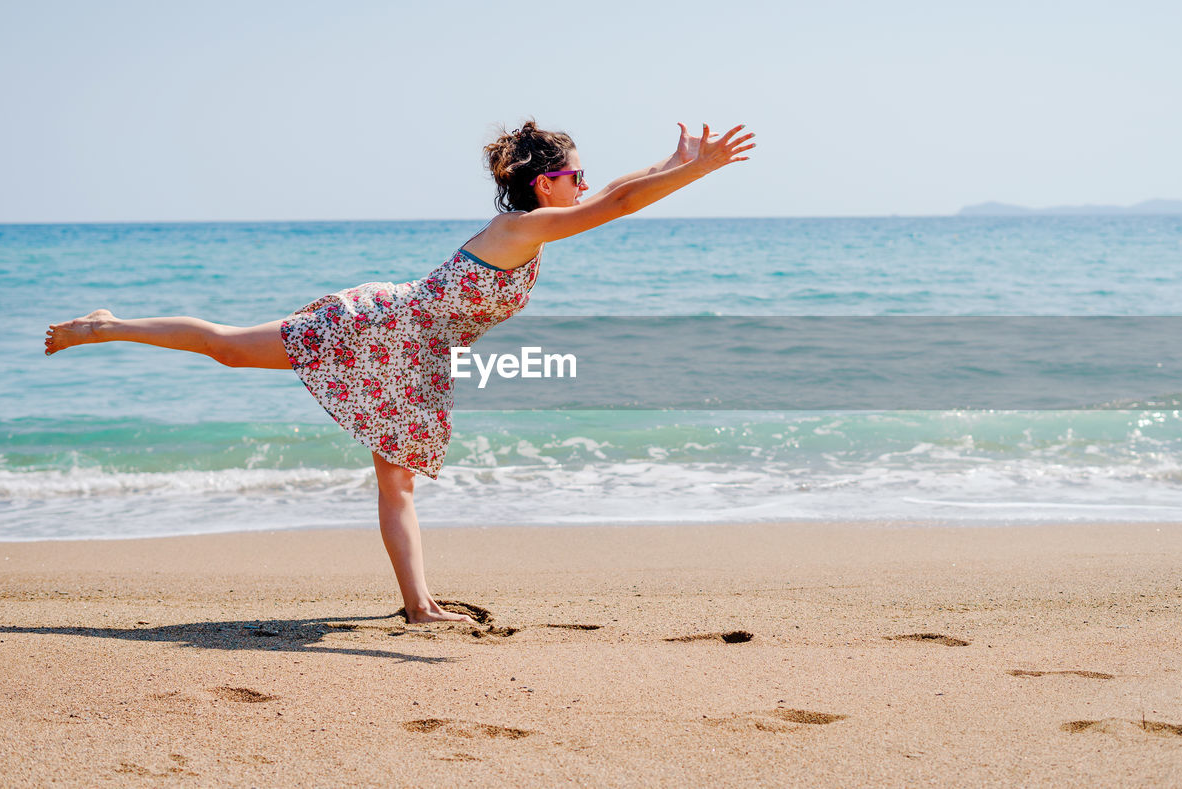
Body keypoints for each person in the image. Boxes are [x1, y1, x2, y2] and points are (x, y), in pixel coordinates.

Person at [44, 120, 755, 622]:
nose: (585, 183)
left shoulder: (537, 223)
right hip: (378, 328)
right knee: (230, 348)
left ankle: (418, 604)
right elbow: (619, 202)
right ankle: (105, 326)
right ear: (545, 185)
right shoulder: (522, 230)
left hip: (412, 357)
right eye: (573, 175)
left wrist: (670, 160)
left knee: (397, 480)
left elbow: (619, 190)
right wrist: (697, 170)